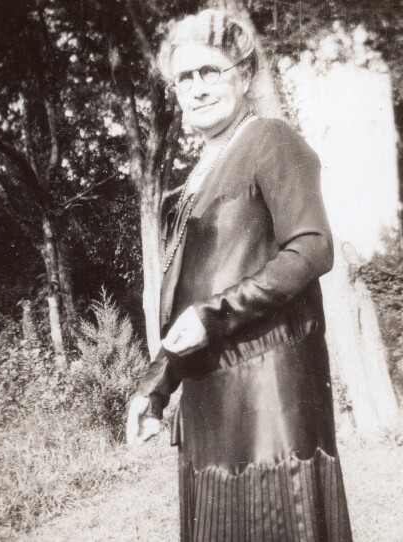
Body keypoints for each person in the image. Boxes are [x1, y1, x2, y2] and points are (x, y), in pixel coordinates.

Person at [126, 9, 352, 541]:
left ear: (245, 76)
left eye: (212, 71)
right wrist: (155, 386)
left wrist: (214, 316)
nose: (198, 88)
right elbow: (192, 304)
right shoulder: (183, 192)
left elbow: (312, 247)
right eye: (185, 77)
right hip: (209, 408)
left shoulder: (270, 139)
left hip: (271, 403)